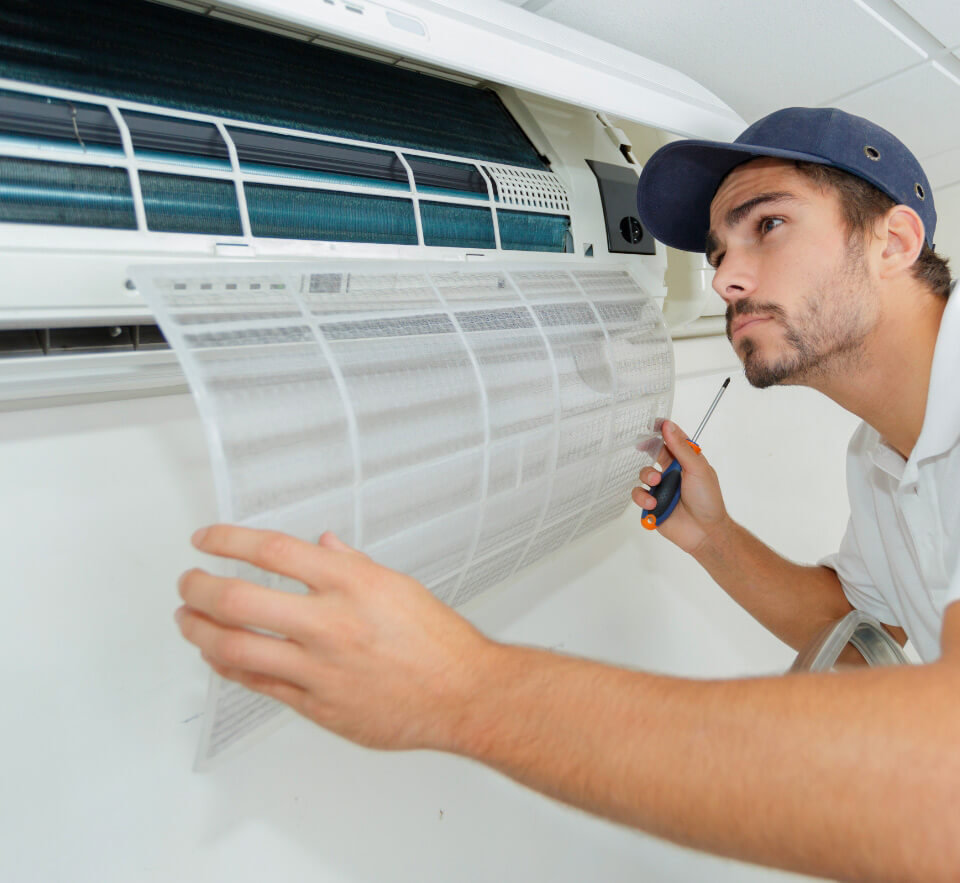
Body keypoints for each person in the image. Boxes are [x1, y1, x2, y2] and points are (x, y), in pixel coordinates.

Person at [173, 107, 960, 881]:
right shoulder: (881, 455)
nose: (725, 276)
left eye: (769, 225)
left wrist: (462, 688)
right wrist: (714, 538)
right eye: (720, 250)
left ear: (892, 241)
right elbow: (865, 626)